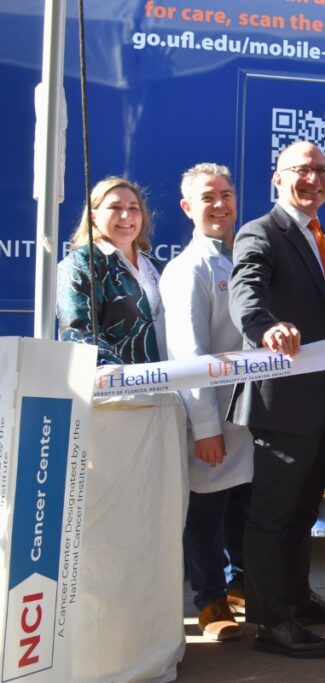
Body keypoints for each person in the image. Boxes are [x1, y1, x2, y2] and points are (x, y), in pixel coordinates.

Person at [228, 140, 325, 658]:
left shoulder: (324, 237)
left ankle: (297, 598)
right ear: (277, 178)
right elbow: (246, 293)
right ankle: (271, 621)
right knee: (272, 515)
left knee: (305, 510)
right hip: (282, 404)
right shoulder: (260, 232)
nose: (313, 179)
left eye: (321, 171)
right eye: (301, 170)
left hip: (322, 400)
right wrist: (265, 328)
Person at [159, 163, 252, 641]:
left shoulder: (244, 257)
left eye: (227, 195)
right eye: (208, 197)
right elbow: (188, 354)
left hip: (246, 414)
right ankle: (210, 601)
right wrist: (206, 427)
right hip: (212, 414)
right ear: (187, 208)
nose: (220, 205)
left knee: (240, 503)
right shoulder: (188, 268)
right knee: (207, 510)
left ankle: (238, 585)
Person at [57, 177, 164, 365]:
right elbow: (78, 331)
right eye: (115, 208)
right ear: (93, 216)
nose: (126, 216)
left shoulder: (155, 265)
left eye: (133, 208)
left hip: (169, 383)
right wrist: (113, 375)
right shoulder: (81, 263)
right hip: (115, 388)